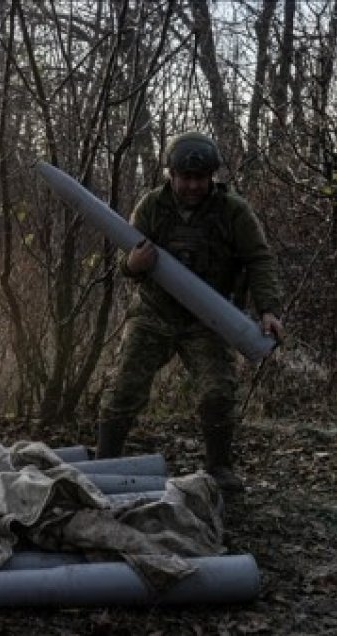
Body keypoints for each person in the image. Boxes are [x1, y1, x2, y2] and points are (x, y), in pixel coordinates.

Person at [95, 132, 285, 492]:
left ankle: (220, 468)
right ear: (171, 174)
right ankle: (105, 462)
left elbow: (259, 259)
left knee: (217, 391)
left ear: (212, 176)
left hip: (207, 318)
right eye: (186, 178)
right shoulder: (151, 206)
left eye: (202, 178)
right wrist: (133, 265)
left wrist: (269, 310)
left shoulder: (234, 211)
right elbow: (126, 261)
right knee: (123, 386)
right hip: (155, 312)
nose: (194, 185)